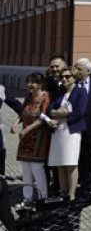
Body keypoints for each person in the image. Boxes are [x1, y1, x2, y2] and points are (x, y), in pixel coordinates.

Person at [45, 65, 87, 200]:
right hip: (58, 132)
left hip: (72, 131)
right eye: (62, 76)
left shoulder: (81, 92)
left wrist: (61, 116)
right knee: (60, 163)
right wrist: (57, 113)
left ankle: (72, 193)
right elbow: (50, 109)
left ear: (74, 78)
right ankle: (63, 192)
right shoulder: (60, 92)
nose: (64, 79)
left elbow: (79, 112)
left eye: (67, 76)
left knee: (71, 162)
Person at [13, 73, 52, 205]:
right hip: (25, 138)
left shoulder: (45, 96)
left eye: (33, 82)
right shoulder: (29, 96)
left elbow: (43, 118)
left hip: (39, 137)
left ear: (40, 84)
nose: (30, 84)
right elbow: (23, 112)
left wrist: (27, 129)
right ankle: (27, 198)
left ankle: (42, 198)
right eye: (28, 81)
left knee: (37, 168)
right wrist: (15, 122)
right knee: (25, 169)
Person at [73, 57, 91, 196]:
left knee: (88, 156)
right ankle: (73, 182)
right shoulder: (72, 84)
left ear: (89, 71)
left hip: (90, 127)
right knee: (74, 156)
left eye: (79, 69)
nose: (76, 71)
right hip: (74, 126)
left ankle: (87, 184)